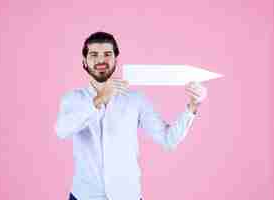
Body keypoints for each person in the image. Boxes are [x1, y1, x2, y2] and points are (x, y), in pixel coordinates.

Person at [54, 31, 207, 200]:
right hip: (84, 195)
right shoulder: (73, 99)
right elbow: (62, 130)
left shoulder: (136, 99)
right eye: (93, 55)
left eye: (107, 54)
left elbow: (168, 139)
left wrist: (193, 105)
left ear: (115, 60)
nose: (100, 60)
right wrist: (100, 99)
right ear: (84, 61)